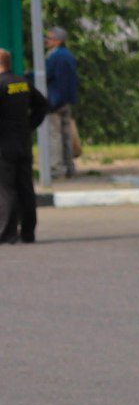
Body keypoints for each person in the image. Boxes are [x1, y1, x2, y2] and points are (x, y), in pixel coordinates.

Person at [0, 46, 49, 245]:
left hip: (4, 145)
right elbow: (43, 104)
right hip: (23, 142)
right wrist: (30, 125)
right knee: (25, 187)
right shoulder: (22, 83)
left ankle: (7, 232)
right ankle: (28, 231)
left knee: (6, 188)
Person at [43, 26, 79, 177]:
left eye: (49, 38)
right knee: (66, 136)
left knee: (54, 135)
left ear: (57, 41)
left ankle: (56, 169)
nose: (46, 40)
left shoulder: (55, 56)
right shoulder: (68, 55)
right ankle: (69, 167)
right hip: (66, 101)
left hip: (54, 101)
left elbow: (45, 74)